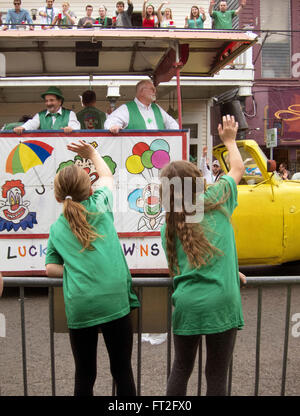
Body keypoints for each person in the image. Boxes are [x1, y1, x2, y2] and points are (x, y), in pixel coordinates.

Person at [45, 140, 140, 396]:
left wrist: (76, 270)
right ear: (89, 189)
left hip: (81, 304)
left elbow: (50, 268)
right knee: (122, 370)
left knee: (85, 374)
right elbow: (107, 175)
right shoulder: (100, 204)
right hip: (114, 300)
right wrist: (92, 153)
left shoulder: (56, 228)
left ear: (57, 195)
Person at [160, 115, 245, 396]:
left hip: (188, 304)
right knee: (216, 375)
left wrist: (230, 268)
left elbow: (179, 269)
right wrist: (229, 140)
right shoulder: (219, 199)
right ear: (197, 181)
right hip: (222, 301)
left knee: (181, 369)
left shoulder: (170, 225)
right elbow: (237, 168)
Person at [104, 79, 179, 133]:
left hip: (157, 153)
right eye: (152, 89)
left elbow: (172, 124)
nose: (155, 92)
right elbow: (111, 122)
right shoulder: (127, 108)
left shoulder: (157, 108)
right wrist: (113, 127)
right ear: (142, 91)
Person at [13, 87, 80, 134]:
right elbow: (32, 123)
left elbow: (75, 126)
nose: (48, 103)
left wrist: (71, 128)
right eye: (46, 101)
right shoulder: (40, 115)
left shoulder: (70, 114)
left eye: (51, 100)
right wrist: (23, 127)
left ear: (59, 101)